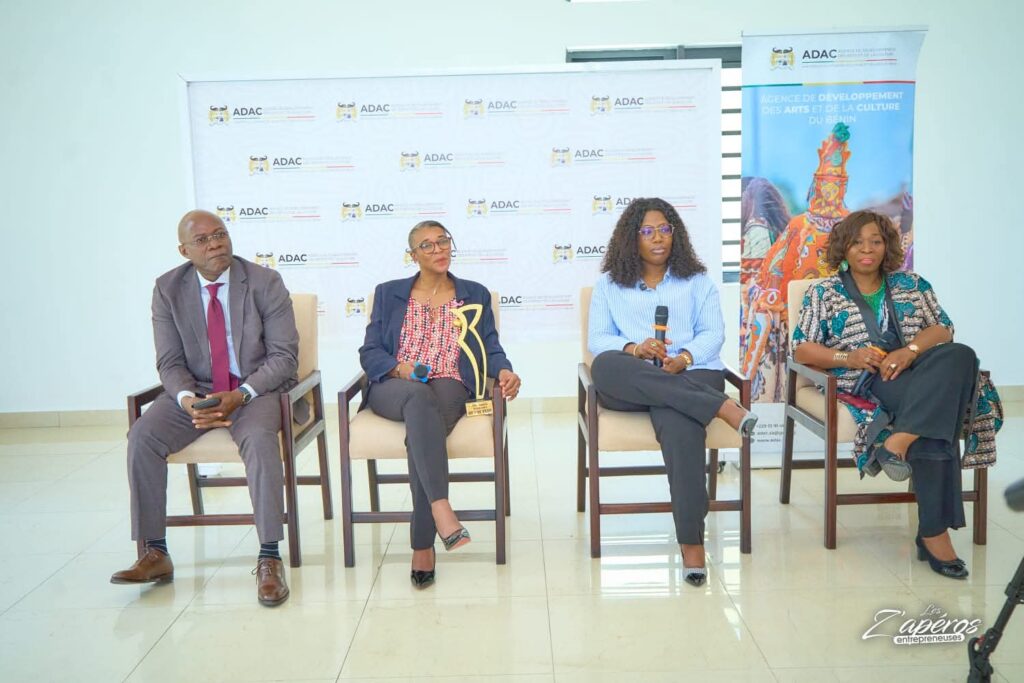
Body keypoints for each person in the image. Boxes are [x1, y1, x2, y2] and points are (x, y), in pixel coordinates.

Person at [792, 210, 1002, 580]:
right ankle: (934, 535)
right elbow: (802, 349)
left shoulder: (913, 284)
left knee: (961, 355)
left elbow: (943, 329)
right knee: (938, 415)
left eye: (876, 241)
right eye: (858, 242)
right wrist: (849, 357)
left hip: (919, 371)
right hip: (871, 379)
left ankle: (900, 439)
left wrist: (909, 352)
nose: (867, 249)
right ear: (844, 248)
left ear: (887, 245)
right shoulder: (823, 292)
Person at [111, 210, 304, 606]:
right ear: (184, 251)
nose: (215, 243)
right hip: (197, 391)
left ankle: (269, 556)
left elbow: (284, 358)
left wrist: (242, 393)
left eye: (220, 234)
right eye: (202, 240)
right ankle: (155, 552)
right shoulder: (168, 288)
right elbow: (169, 361)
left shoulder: (264, 282)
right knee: (143, 436)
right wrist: (187, 400)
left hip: (256, 390)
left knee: (259, 439)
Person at [587, 198, 757, 587]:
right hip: (633, 378)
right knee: (606, 365)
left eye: (665, 229)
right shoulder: (609, 285)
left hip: (692, 373)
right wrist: (636, 349)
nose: (658, 238)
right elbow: (599, 339)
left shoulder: (697, 282)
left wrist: (684, 357)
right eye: (647, 231)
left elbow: (713, 334)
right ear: (631, 238)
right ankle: (722, 407)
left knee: (680, 423)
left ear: (675, 234)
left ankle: (691, 543)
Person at [359, 220, 522, 589]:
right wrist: (399, 368)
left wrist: (504, 370)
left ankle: (423, 543)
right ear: (412, 255)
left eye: (443, 241)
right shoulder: (388, 293)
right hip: (395, 383)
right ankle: (441, 509)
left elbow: (490, 346)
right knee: (418, 397)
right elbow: (369, 352)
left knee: (422, 426)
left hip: (451, 381)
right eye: (427, 245)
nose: (438, 250)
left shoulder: (474, 293)